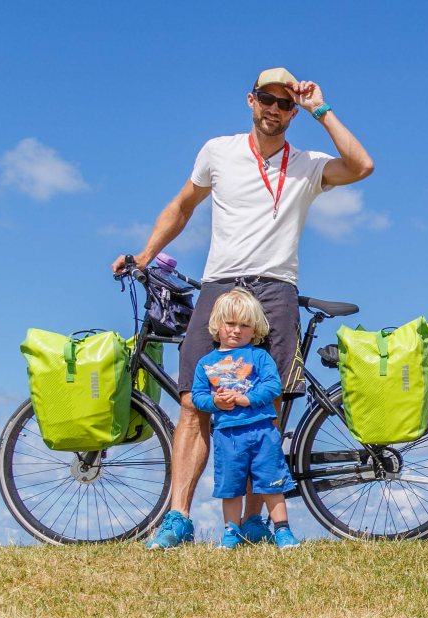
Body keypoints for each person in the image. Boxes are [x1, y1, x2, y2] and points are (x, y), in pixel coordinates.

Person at [111, 67, 374, 548]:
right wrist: (145, 255)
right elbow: (183, 205)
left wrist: (322, 110)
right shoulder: (218, 151)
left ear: (293, 111)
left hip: (275, 289)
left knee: (267, 408)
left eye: (285, 104)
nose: (274, 109)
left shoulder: (308, 163)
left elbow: (361, 166)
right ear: (250, 101)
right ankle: (178, 519)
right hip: (221, 286)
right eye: (266, 100)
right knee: (194, 402)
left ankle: (255, 521)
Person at [190, 289, 300, 549]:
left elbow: (274, 386)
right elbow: (198, 397)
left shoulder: (260, 357)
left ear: (255, 330)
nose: (236, 330)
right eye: (230, 323)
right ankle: (231, 531)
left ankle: (282, 530)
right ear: (217, 325)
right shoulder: (206, 363)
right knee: (230, 486)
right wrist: (215, 402)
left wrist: (246, 399)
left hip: (263, 431)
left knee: (271, 482)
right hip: (228, 435)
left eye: (244, 325)